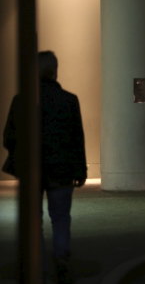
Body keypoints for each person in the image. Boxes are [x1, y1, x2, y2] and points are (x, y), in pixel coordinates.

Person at [3, 51, 87, 283]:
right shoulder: (69, 100)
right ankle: (61, 257)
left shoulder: (21, 100)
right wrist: (81, 171)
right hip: (61, 170)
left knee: (34, 218)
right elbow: (77, 139)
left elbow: (8, 137)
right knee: (60, 217)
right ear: (55, 71)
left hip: (32, 170)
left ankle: (37, 262)